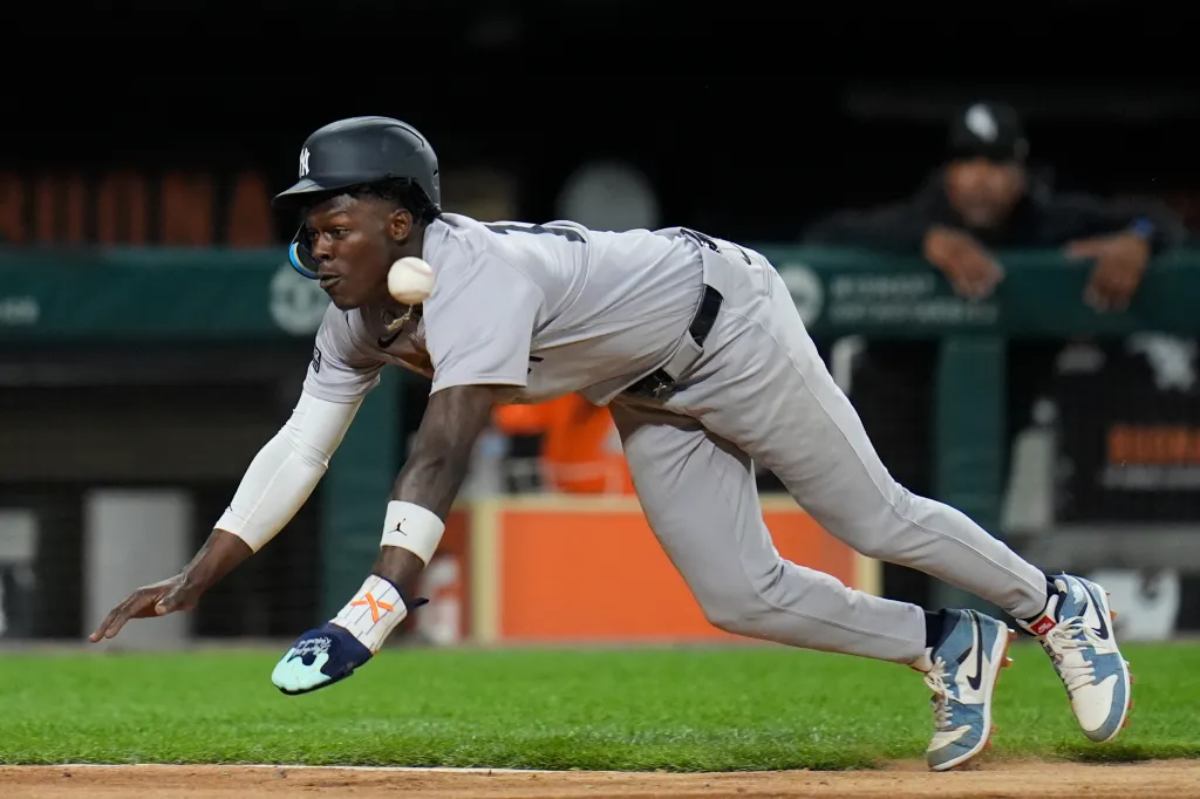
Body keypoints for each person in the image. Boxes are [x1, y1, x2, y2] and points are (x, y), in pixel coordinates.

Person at [89, 116, 1132, 772]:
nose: (315, 237)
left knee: (867, 513)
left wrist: (376, 603)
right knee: (736, 591)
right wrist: (198, 570)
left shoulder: (476, 271)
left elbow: (447, 441)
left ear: (404, 221)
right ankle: (944, 643)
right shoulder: (355, 316)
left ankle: (1054, 605)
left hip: (727, 325)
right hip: (641, 383)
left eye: (334, 215)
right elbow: (298, 450)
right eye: (306, 220)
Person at [804, 101, 1186, 605]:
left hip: (999, 412)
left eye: (997, 164)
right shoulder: (920, 218)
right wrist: (925, 240)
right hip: (896, 409)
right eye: (969, 163)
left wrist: (1137, 241)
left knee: (977, 543)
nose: (982, 178)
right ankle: (902, 648)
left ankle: (977, 641)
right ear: (950, 171)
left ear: (1020, 172)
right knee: (893, 546)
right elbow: (826, 237)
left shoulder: (1047, 221)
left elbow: (1157, 219)